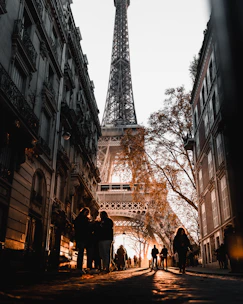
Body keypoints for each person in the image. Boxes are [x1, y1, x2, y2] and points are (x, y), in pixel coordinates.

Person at [74, 207, 93, 274]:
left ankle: (80, 267)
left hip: (82, 237)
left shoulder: (78, 218)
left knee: (81, 253)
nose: (87, 213)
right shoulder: (85, 220)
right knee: (85, 253)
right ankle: (86, 267)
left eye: (87, 212)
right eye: (86, 212)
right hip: (84, 238)